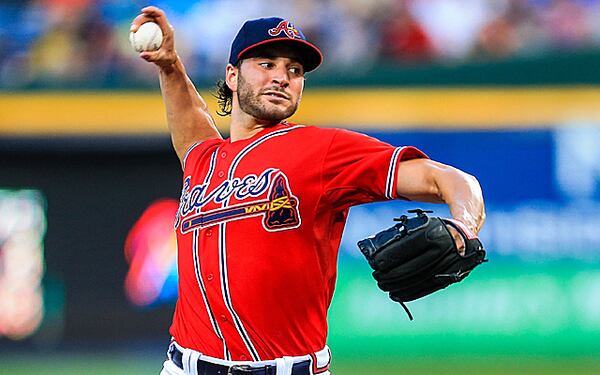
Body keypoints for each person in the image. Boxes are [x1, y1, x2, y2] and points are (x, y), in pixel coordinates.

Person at [131, 6, 485, 375]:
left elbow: (450, 180)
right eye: (266, 64)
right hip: (183, 366)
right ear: (232, 77)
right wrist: (169, 65)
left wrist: (464, 226)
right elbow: (191, 117)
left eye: (294, 70)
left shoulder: (323, 150)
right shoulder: (204, 158)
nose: (282, 77)